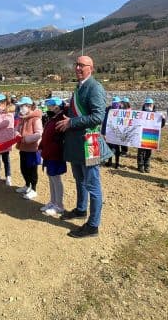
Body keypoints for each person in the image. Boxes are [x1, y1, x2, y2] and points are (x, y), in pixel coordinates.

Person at [56, 55, 112, 238]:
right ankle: (81, 209)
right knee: (79, 179)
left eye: (82, 65)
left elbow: (97, 117)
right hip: (77, 144)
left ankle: (93, 226)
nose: (78, 68)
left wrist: (71, 122)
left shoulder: (95, 87)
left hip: (90, 143)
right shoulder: (79, 87)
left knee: (93, 184)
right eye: (76, 64)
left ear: (91, 68)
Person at [39, 97, 67, 215]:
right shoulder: (53, 118)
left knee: (56, 178)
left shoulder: (61, 118)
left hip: (55, 154)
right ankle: (53, 201)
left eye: (50, 106)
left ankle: (59, 205)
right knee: (51, 178)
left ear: (56, 107)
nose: (48, 108)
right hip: (48, 153)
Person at [15, 96, 43, 200]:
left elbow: (39, 133)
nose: (21, 108)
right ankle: (27, 185)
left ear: (29, 106)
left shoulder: (36, 119)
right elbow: (17, 129)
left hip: (32, 149)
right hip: (23, 148)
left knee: (32, 169)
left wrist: (26, 139)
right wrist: (17, 134)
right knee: (24, 168)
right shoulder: (22, 118)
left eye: (23, 106)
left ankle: (34, 189)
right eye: (21, 106)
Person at [137, 98, 166, 173]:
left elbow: (161, 125)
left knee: (148, 152)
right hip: (141, 135)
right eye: (147, 104)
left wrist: (163, 119)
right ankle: (140, 166)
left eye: (150, 104)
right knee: (140, 152)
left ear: (153, 105)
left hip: (150, 136)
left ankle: (147, 165)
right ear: (144, 105)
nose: (149, 106)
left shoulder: (156, 115)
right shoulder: (140, 114)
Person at [101, 96, 122, 169]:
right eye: (114, 103)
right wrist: (103, 133)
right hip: (109, 132)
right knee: (109, 147)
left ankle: (117, 163)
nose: (116, 104)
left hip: (118, 132)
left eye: (117, 103)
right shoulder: (108, 110)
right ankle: (109, 162)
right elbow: (104, 122)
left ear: (120, 103)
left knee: (117, 149)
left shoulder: (123, 111)